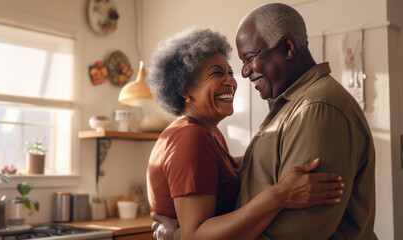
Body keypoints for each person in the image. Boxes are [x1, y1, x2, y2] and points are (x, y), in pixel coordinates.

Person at [146, 27, 344, 240]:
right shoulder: (190, 137)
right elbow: (197, 235)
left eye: (229, 72)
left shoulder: (210, 135)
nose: (231, 81)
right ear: (184, 88)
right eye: (217, 73)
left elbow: (233, 168)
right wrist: (280, 196)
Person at [234, 3, 377, 239]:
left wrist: (189, 235)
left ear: (288, 48)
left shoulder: (317, 109)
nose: (245, 73)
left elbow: (298, 231)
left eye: (249, 58)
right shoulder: (292, 105)